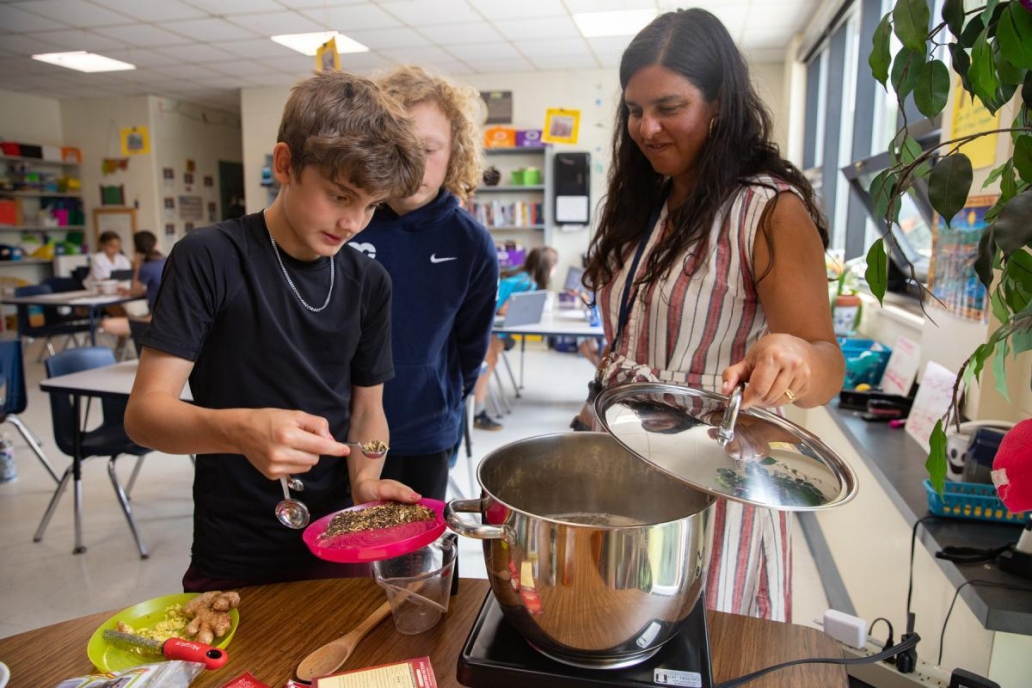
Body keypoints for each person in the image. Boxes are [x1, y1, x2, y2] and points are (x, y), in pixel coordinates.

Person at [584, 9, 844, 622]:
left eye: (669, 107)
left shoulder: (768, 211)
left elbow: (826, 364)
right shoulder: (640, 205)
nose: (646, 128)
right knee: (617, 631)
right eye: (633, 109)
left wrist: (796, 356)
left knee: (699, 645)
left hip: (715, 484)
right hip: (622, 461)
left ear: (721, 104)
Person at [124, 71, 426, 591]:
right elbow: (145, 416)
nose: (354, 222)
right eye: (339, 195)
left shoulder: (368, 281)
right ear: (285, 164)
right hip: (235, 546)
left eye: (372, 205)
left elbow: (367, 410)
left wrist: (365, 480)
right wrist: (238, 430)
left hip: (338, 538)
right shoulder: (210, 257)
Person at [350, 65, 498, 500]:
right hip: (340, 430)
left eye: (430, 149)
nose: (415, 163)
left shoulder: (470, 242)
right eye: (402, 147)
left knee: (415, 559)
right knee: (348, 558)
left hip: (425, 430)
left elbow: (472, 347)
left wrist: (445, 403)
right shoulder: (345, 224)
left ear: (455, 153)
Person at [472, 245, 558, 431]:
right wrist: (504, 308)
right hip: (486, 326)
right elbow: (499, 306)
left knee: (494, 353)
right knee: (490, 357)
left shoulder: (523, 276)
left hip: (494, 327)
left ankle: (477, 407)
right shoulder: (526, 282)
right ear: (547, 267)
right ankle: (477, 411)